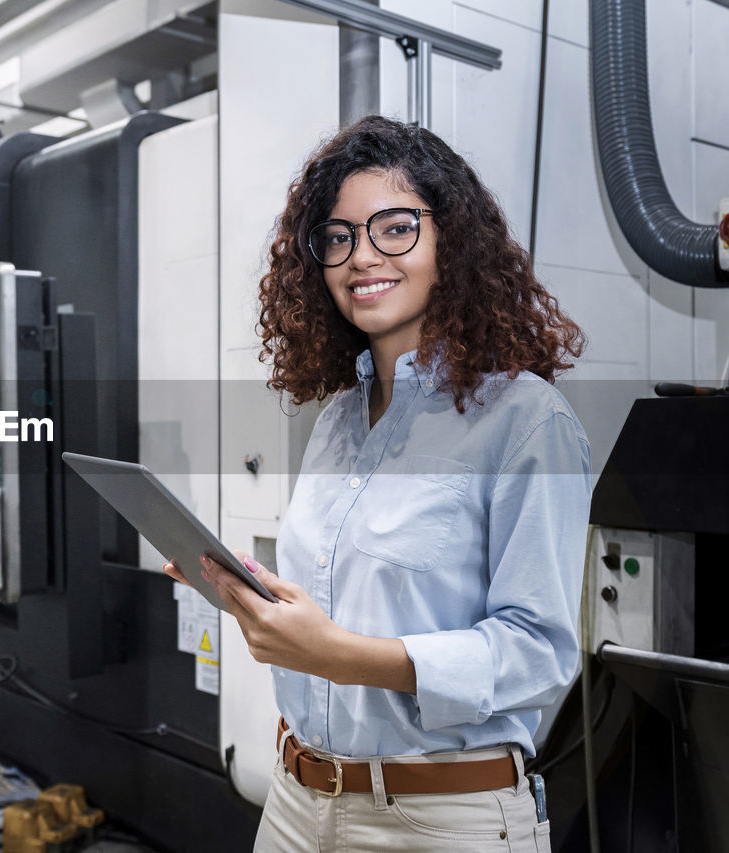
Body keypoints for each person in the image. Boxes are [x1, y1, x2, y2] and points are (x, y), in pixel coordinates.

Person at [164, 115, 591, 852]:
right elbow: (337, 607)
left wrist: (335, 652)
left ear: (449, 240)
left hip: (441, 818)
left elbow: (539, 654)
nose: (361, 257)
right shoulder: (337, 419)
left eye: (393, 228)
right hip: (297, 802)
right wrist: (257, 603)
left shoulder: (525, 420)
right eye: (338, 237)